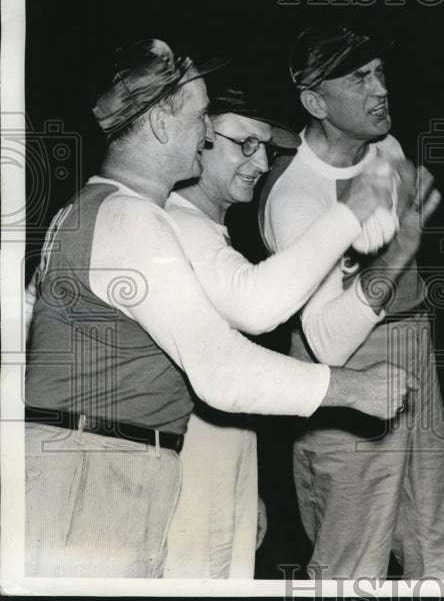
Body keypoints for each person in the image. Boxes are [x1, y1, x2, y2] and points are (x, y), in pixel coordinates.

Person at [23, 39, 415, 578]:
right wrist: (354, 388)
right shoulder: (127, 219)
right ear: (160, 122)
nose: (206, 133)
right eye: (201, 115)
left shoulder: (98, 210)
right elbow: (222, 368)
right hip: (97, 468)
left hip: (100, 464)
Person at [162, 81, 403, 578]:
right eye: (243, 143)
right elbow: (258, 307)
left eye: (266, 148)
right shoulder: (173, 226)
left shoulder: (211, 233)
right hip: (177, 470)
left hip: (219, 460)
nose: (261, 161)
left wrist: (246, 487)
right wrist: (352, 212)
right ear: (197, 137)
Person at [260, 25, 444, 580]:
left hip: (412, 345)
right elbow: (328, 338)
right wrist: (402, 248)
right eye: (359, 78)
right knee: (353, 563)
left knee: (443, 544)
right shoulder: (297, 195)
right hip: (345, 372)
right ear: (315, 100)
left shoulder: (386, 149)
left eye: (380, 72)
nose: (380, 88)